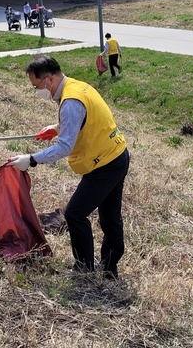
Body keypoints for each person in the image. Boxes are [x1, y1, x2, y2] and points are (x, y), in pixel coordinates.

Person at [7, 55, 130, 280]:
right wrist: (56, 128)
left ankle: (84, 267)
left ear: (49, 79)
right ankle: (110, 269)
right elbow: (83, 120)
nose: (37, 91)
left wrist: (31, 159)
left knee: (75, 213)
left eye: (37, 86)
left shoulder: (71, 101)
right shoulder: (77, 86)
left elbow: (64, 147)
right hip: (115, 155)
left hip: (104, 165)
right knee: (110, 217)